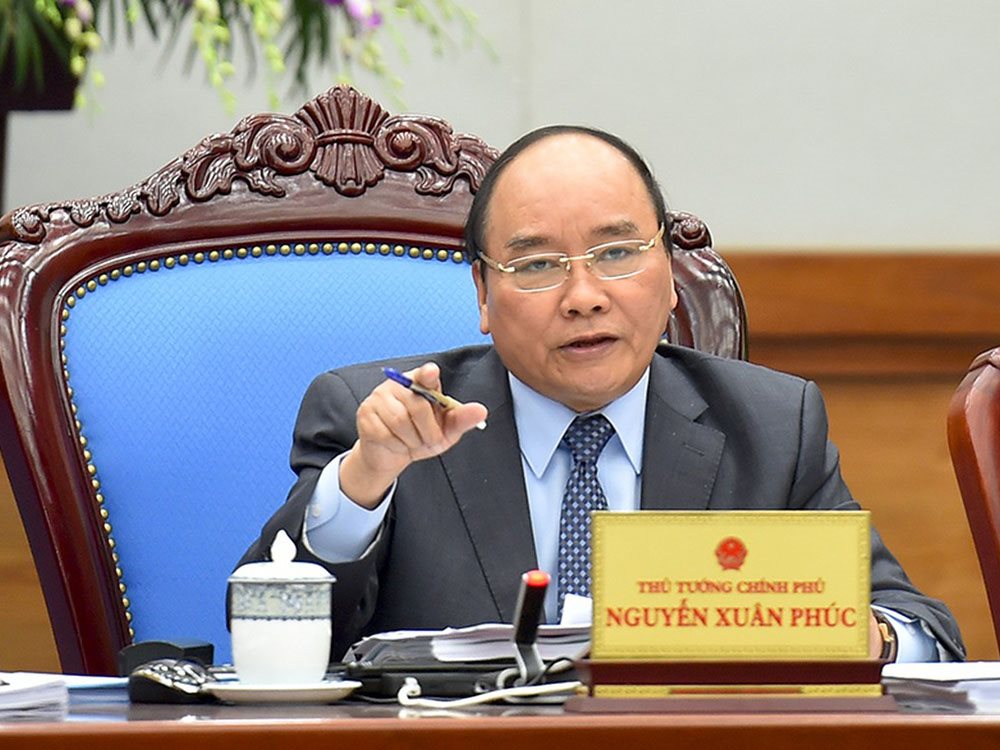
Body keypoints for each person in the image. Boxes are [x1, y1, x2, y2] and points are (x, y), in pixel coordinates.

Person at [239, 125, 964, 663]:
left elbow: (924, 633)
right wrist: (365, 480)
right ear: (483, 294)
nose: (584, 296)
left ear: (669, 272)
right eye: (537, 264)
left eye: (616, 254)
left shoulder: (772, 426)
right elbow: (271, 634)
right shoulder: (384, 425)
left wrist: (854, 635)